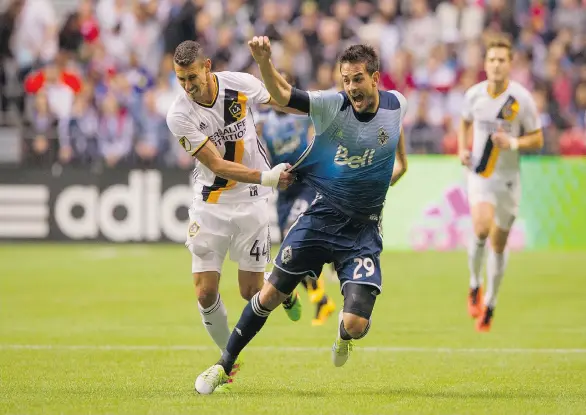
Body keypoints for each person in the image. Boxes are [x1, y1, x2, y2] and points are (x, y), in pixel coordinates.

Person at [194, 38, 408, 394]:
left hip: (363, 232)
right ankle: (223, 365)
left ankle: (343, 334)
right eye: (346, 79)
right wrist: (264, 61)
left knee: (355, 323)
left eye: (357, 79)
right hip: (321, 218)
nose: (351, 87)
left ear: (375, 78)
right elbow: (282, 94)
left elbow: (396, 149)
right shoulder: (331, 106)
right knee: (268, 295)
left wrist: (396, 172)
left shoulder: (397, 104)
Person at [165, 40, 303, 390]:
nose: (187, 86)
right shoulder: (179, 114)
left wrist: (320, 112)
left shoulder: (239, 83)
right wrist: (268, 176)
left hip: (252, 201)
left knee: (251, 291)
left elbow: (282, 100)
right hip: (210, 204)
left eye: (192, 77)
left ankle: (286, 290)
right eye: (180, 79)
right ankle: (229, 359)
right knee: (204, 293)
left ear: (207, 66)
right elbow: (215, 164)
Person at [458, 34, 543, 332]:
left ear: (510, 64)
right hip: (482, 174)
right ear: (485, 63)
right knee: (481, 228)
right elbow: (465, 121)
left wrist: (513, 143)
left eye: (501, 60)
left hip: (508, 180)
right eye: (491, 59)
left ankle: (491, 303)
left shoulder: (521, 99)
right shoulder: (474, 95)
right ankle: (473, 284)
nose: (496, 65)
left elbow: (538, 138)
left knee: (499, 243)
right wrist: (462, 148)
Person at [257, 71, 336, 326]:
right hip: (283, 188)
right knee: (290, 252)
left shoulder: (302, 115)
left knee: (295, 233)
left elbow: (326, 120)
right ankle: (321, 301)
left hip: (305, 182)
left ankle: (332, 260)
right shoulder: (263, 121)